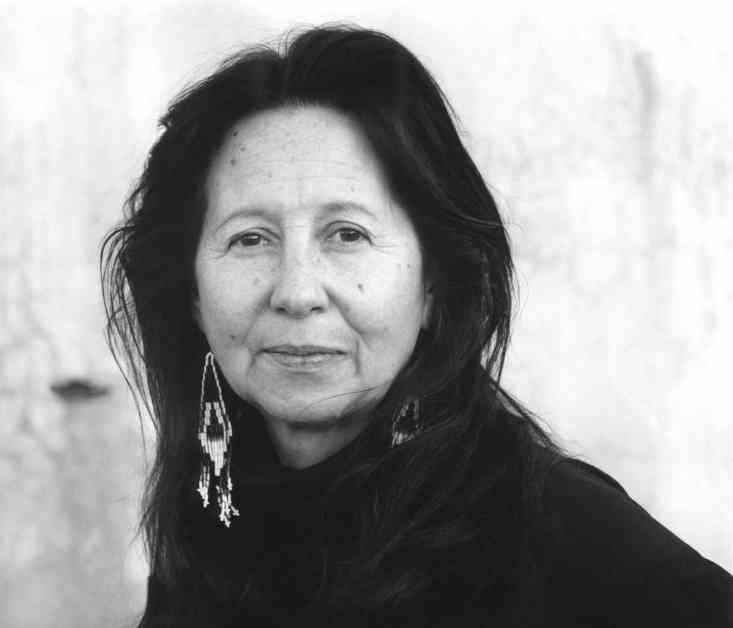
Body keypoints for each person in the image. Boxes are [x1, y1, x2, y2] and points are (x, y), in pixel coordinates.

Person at [100, 24, 733, 627]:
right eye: (250, 238)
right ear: (190, 293)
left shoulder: (560, 535)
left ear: (435, 284)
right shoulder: (212, 523)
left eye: (347, 234)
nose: (296, 292)